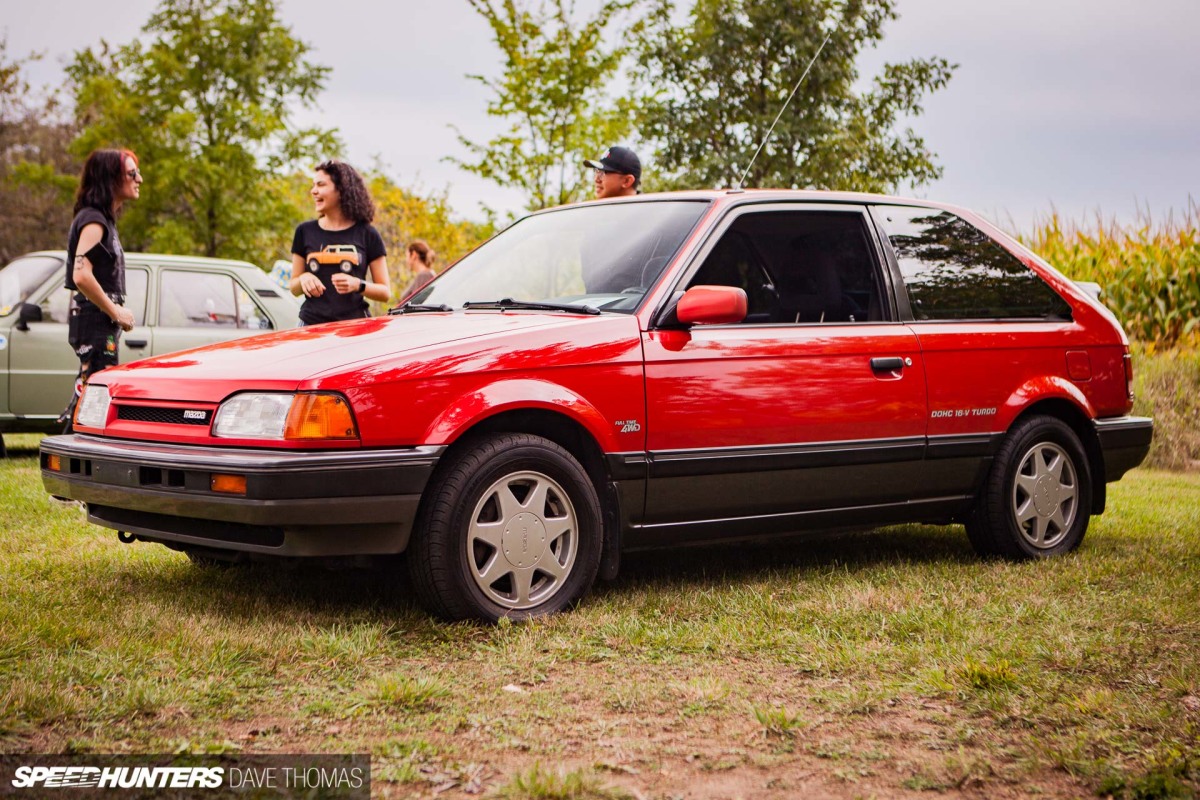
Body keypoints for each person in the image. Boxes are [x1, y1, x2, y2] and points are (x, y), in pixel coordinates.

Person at [58, 148, 142, 431]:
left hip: (97, 321)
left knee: (92, 391)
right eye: (132, 173)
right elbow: (81, 274)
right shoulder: (93, 220)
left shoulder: (102, 219)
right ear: (111, 178)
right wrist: (115, 311)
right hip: (94, 320)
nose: (139, 179)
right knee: (95, 394)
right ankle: (71, 457)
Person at [290, 160, 389, 325]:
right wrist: (304, 278)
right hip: (310, 327)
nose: (313, 191)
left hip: (354, 328)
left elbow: (385, 292)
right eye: (313, 185)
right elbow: (294, 287)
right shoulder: (304, 231)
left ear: (341, 189)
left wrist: (358, 284)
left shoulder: (368, 234)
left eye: (321, 185)